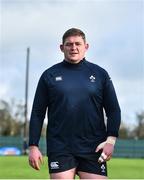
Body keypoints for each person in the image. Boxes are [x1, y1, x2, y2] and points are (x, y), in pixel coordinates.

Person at [28, 28, 121, 179]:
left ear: (86, 46)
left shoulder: (100, 74)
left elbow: (114, 110)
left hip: (94, 148)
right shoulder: (49, 75)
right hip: (60, 147)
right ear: (61, 47)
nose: (73, 48)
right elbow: (37, 113)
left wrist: (110, 141)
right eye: (69, 44)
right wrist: (33, 145)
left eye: (78, 43)